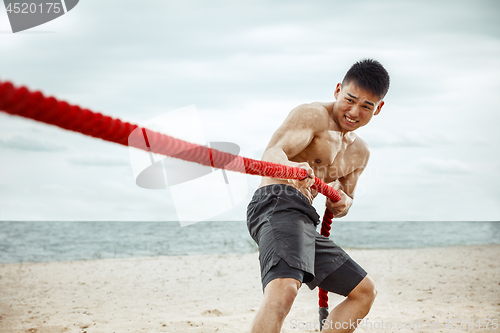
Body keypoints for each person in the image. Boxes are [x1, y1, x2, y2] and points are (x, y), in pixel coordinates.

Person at [246, 59, 390, 333]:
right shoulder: (312, 115)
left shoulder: (360, 153)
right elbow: (273, 153)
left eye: (366, 106)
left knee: (364, 291)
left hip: (305, 220)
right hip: (277, 201)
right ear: (338, 90)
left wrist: (342, 203)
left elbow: (344, 203)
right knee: (284, 289)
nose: (354, 111)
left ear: (378, 108)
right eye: (350, 99)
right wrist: (292, 168)